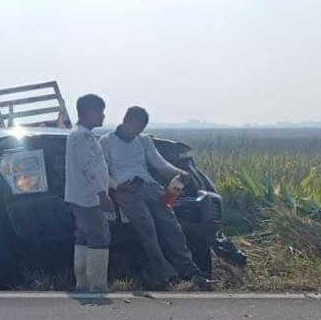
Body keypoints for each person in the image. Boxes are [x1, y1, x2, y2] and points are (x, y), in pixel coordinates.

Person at [100, 106, 212, 291]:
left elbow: (160, 165)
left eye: (141, 128)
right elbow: (103, 173)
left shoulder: (144, 141)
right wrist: (117, 186)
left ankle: (190, 271)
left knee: (171, 225)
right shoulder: (106, 141)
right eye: (136, 126)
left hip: (150, 186)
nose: (138, 131)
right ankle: (167, 274)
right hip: (125, 189)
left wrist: (179, 174)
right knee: (147, 227)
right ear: (126, 120)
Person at [64, 94, 113, 293]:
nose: (103, 116)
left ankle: (82, 282)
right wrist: (102, 194)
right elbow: (89, 167)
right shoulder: (82, 137)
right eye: (100, 112)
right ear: (89, 112)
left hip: (80, 196)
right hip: (88, 198)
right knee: (99, 236)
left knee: (83, 237)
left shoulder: (79, 135)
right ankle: (97, 284)